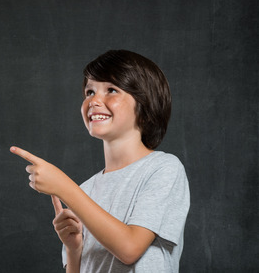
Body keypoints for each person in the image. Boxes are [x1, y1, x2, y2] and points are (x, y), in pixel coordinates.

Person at [10, 49, 190, 272]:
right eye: (89, 92)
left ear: (145, 108)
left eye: (111, 90)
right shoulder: (84, 191)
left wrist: (65, 187)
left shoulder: (164, 169)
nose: (94, 100)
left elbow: (130, 248)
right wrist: (74, 250)